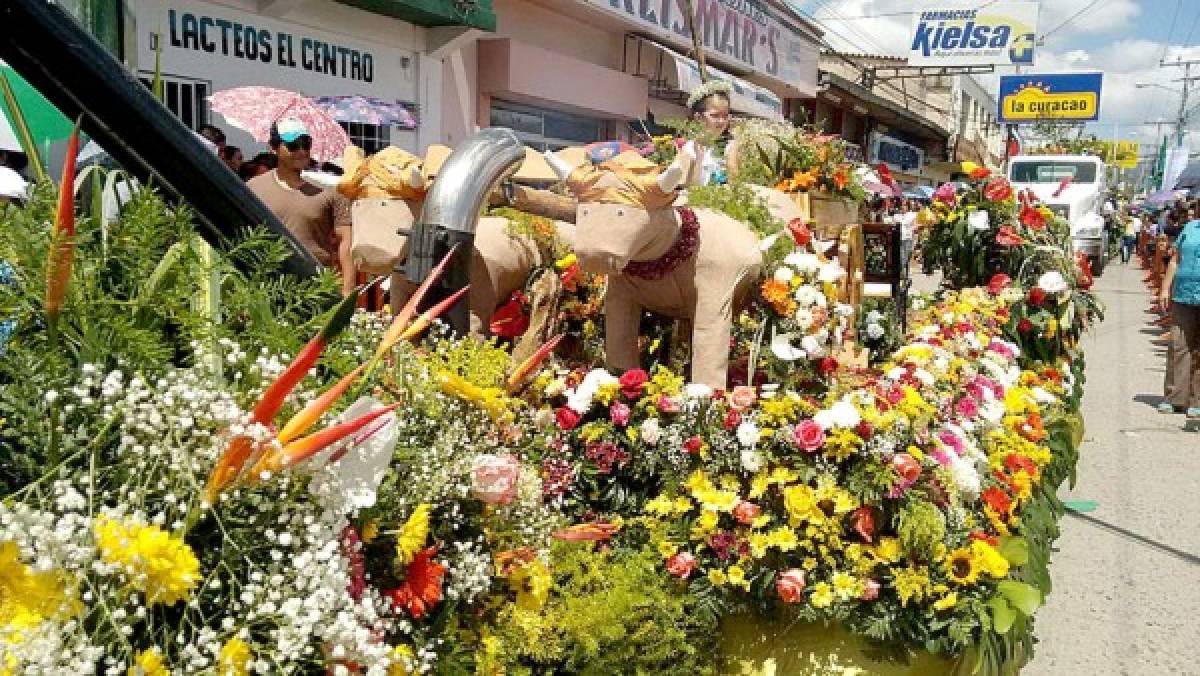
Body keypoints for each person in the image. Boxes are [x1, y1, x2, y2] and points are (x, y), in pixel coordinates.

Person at [247, 117, 355, 295]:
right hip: (269, 284)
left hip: (316, 285)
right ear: (274, 147)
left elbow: (346, 241)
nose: (302, 151)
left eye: (306, 144)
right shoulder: (255, 188)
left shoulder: (329, 190)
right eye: (293, 145)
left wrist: (347, 290)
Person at [1158, 212, 1200, 422]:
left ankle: (1197, 401)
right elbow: (1175, 260)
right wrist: (1165, 288)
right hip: (1183, 295)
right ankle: (1175, 397)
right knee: (1179, 344)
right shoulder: (1190, 229)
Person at [682, 81, 736, 186]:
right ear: (698, 118)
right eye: (715, 115)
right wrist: (699, 159)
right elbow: (689, 189)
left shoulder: (729, 147)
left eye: (725, 116)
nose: (721, 121)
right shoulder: (689, 148)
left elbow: (734, 186)